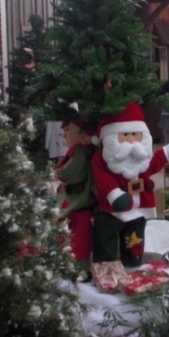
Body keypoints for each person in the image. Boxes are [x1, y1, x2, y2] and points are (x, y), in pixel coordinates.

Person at [91, 102, 169, 267]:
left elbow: (154, 163)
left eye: (135, 134)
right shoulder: (102, 159)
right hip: (111, 210)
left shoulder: (142, 158)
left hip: (138, 210)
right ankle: (106, 268)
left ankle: (132, 265)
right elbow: (103, 179)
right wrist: (115, 195)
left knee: (134, 242)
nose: (131, 141)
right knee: (106, 242)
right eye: (124, 135)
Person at [55, 119, 97, 278]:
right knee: (76, 238)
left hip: (77, 202)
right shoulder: (82, 151)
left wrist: (59, 173)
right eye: (64, 131)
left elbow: (68, 173)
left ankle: (78, 269)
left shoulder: (79, 152)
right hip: (77, 202)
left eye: (68, 131)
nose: (64, 136)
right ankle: (73, 266)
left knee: (78, 239)